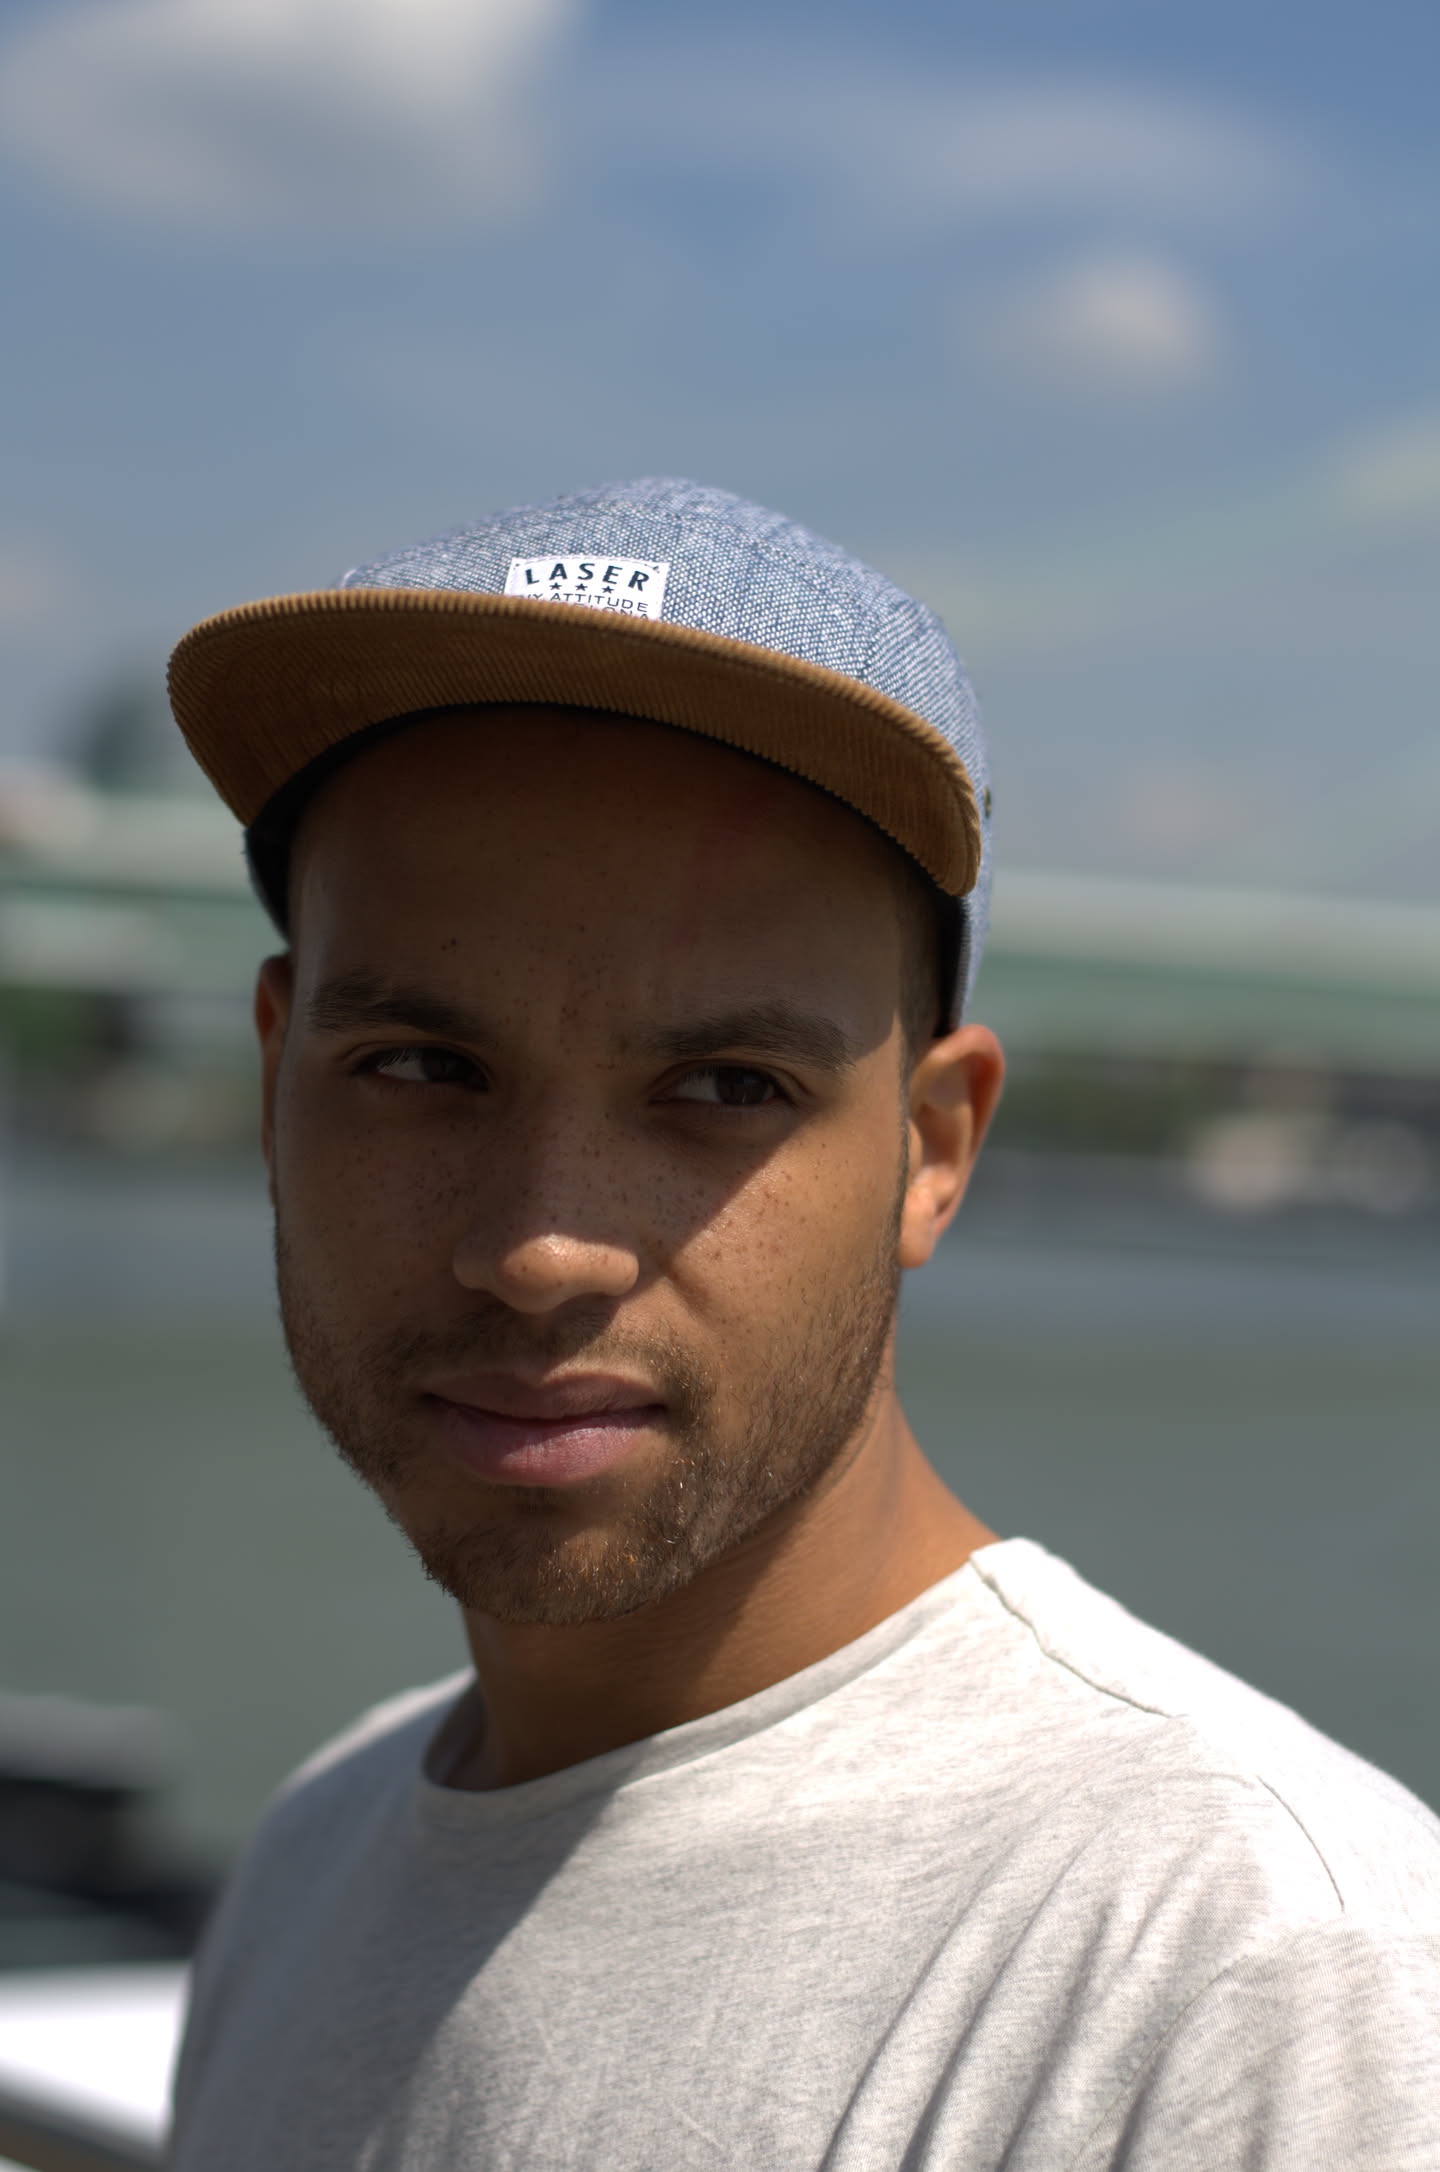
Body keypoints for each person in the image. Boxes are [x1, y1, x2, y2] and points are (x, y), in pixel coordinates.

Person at [165, 479, 1440, 2170]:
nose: (540, 1248)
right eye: (421, 1067)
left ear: (933, 1152)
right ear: (277, 1084)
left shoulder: (1249, 1975)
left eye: (723, 1087)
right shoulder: (316, 1856)